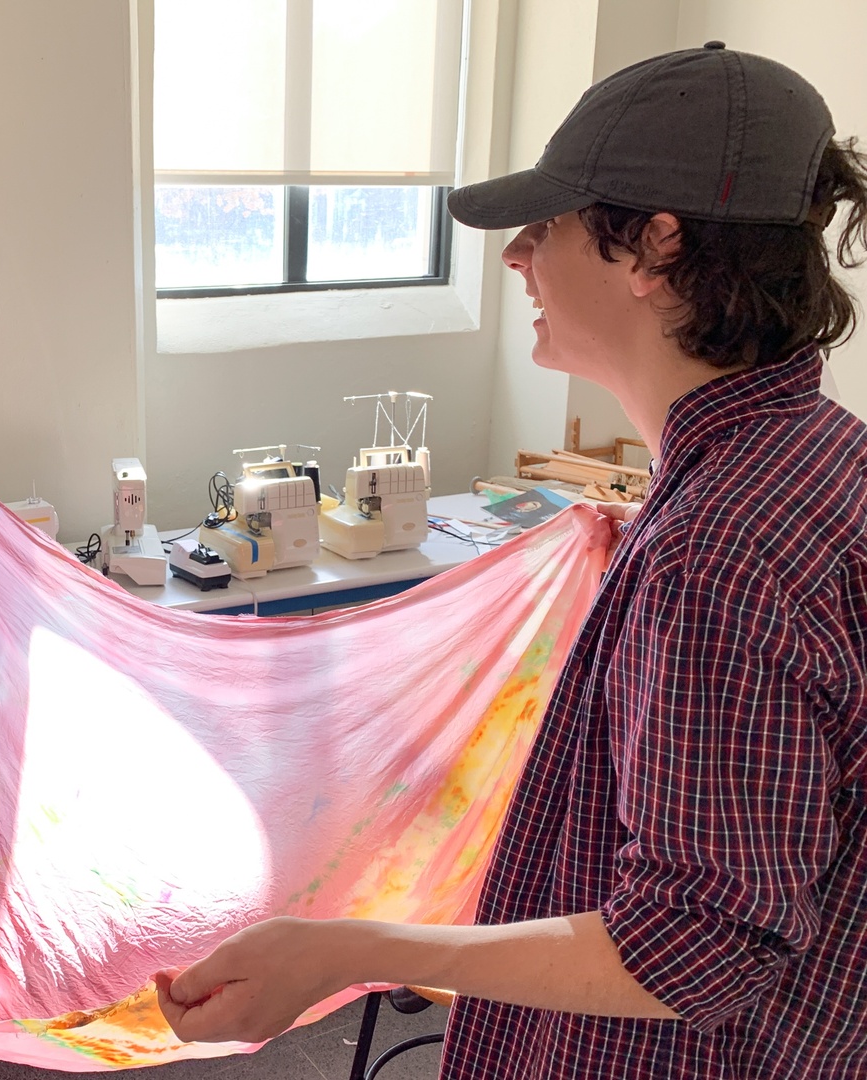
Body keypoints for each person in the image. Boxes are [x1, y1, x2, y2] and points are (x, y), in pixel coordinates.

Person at [155, 43, 867, 1079]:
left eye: (548, 226)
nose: (516, 258)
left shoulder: (716, 552)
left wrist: (339, 950)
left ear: (653, 249)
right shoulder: (820, 454)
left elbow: (697, 948)